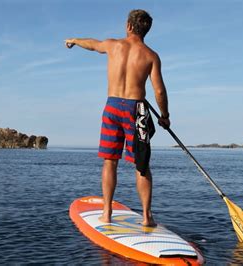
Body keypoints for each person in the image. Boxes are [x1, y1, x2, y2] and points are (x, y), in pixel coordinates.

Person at [65, 9, 170, 227]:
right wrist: (164, 116)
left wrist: (75, 40)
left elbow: (92, 44)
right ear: (146, 30)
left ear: (129, 26)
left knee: (110, 161)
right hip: (136, 109)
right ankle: (146, 217)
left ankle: (106, 213)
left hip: (112, 106)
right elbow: (159, 91)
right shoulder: (151, 56)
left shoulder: (113, 45)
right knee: (141, 165)